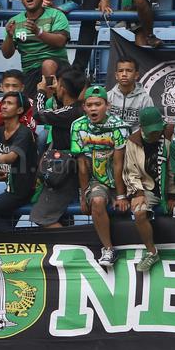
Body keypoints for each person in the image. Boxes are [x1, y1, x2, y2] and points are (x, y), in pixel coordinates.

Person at [70, 86, 127, 265]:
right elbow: (82, 164)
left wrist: (120, 194)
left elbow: (119, 164)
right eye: (90, 105)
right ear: (84, 107)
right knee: (96, 201)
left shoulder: (120, 126)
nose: (94, 108)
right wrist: (83, 194)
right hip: (96, 180)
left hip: (123, 178)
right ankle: (108, 249)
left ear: (107, 105)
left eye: (98, 104)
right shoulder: (78, 126)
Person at [30, 68, 86, 228]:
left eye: (59, 84)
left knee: (43, 218)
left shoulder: (70, 112)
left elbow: (38, 114)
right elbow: (61, 110)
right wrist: (56, 94)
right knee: (61, 217)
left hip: (65, 171)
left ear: (64, 89)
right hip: (66, 168)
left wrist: (41, 92)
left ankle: (67, 245)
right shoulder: (77, 109)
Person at [0, 92, 37, 231]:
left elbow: (11, 157)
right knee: (3, 226)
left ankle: (17, 240)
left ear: (20, 110)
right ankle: (15, 244)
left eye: (9, 103)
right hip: (11, 188)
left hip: (24, 190)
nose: (3, 106)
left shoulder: (24, 132)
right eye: (3, 103)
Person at [1, 0, 70, 93]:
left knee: (48, 64)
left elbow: (60, 41)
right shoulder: (14, 21)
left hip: (58, 67)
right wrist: (9, 36)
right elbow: (7, 54)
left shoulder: (56, 15)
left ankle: (49, 105)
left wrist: (38, 32)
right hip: (30, 70)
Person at [120, 106, 165, 271]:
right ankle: (152, 253)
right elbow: (130, 172)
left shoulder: (169, 135)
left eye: (157, 130)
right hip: (147, 187)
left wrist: (173, 194)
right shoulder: (133, 141)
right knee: (139, 211)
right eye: (151, 131)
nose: (156, 134)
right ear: (142, 128)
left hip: (170, 188)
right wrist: (138, 193)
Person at [107, 57, 153, 131]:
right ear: (116, 75)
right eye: (120, 71)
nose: (124, 74)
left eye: (129, 71)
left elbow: (149, 126)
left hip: (135, 140)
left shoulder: (145, 99)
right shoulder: (108, 97)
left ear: (136, 75)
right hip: (112, 138)